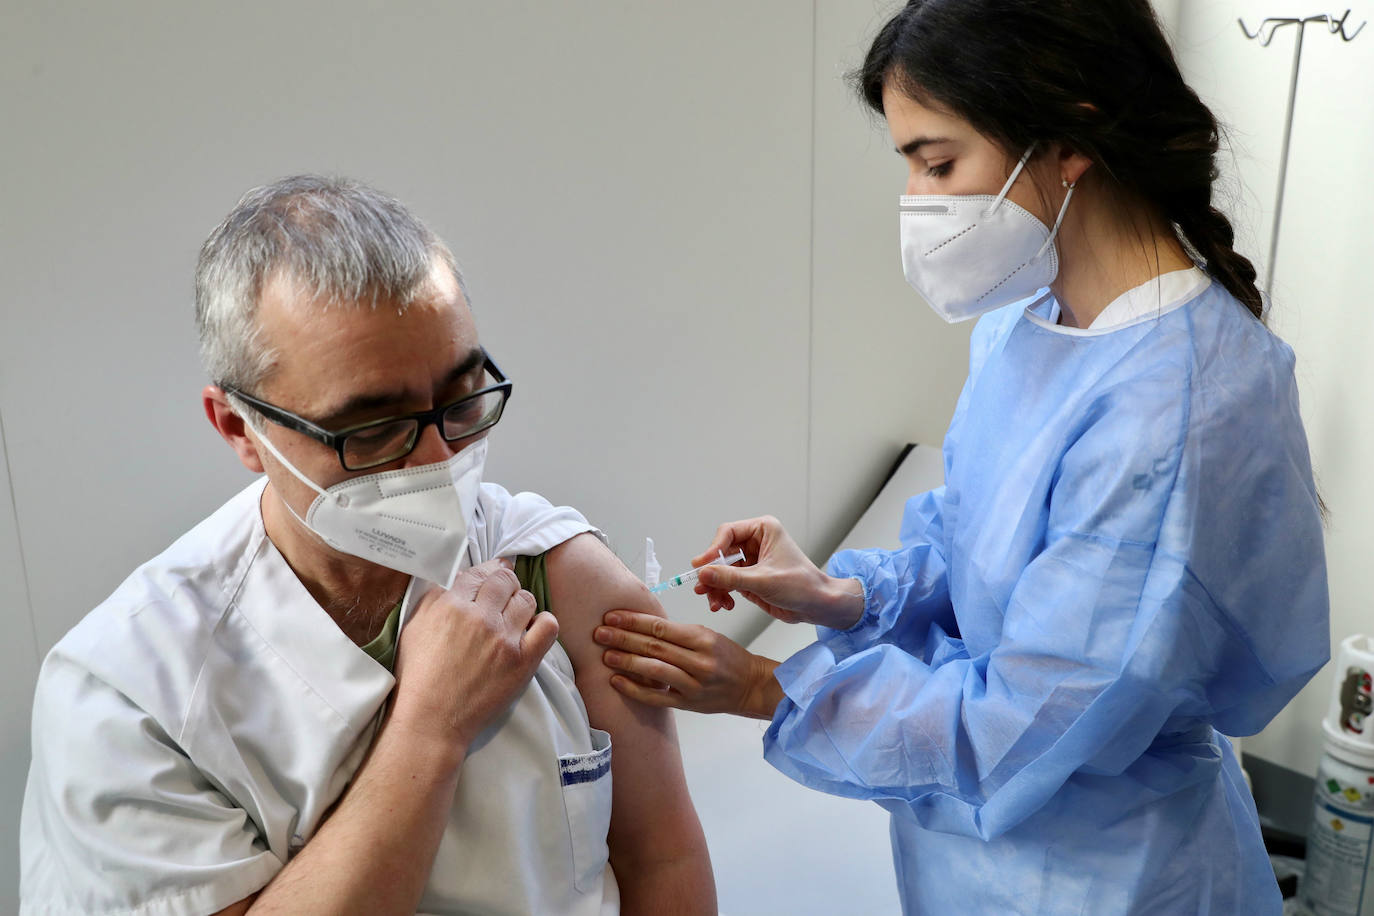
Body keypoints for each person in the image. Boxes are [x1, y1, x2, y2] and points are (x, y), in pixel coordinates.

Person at [593, 1, 1329, 913]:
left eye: (939, 163)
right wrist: (841, 595)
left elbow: (1020, 727)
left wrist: (765, 687)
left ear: (1071, 138)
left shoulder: (1177, 412)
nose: (919, 203)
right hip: (977, 870)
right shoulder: (1029, 326)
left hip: (1106, 880)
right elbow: (978, 550)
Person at [20, 176, 716, 916]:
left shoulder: (559, 573)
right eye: (373, 430)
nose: (437, 462)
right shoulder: (128, 697)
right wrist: (430, 727)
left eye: (461, 398)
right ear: (237, 429)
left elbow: (662, 860)